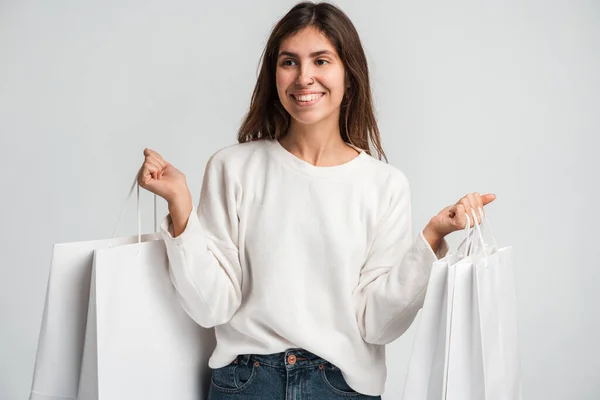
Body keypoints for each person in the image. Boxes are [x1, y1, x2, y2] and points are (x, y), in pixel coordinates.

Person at [138, 2, 496, 399]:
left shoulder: (384, 185)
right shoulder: (233, 167)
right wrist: (180, 205)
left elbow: (378, 325)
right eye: (289, 62)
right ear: (274, 75)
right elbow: (212, 307)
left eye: (321, 60)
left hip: (341, 387)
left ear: (349, 75)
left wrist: (431, 238)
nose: (304, 77)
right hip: (246, 384)